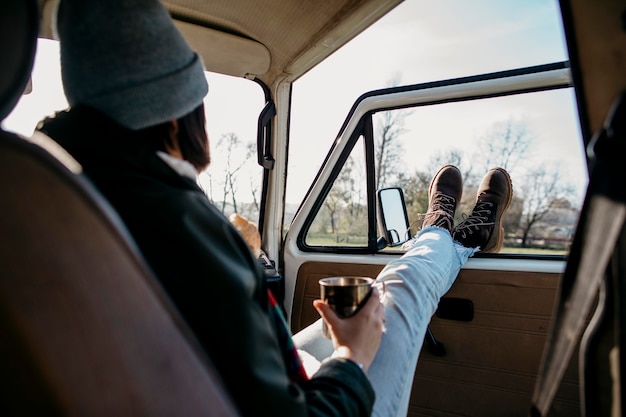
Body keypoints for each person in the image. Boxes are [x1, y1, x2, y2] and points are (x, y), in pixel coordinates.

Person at [37, 1, 512, 417]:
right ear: (183, 113)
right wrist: (352, 358)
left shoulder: (61, 197)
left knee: (355, 308)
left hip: (220, 390)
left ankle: (447, 236)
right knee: (399, 288)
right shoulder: (173, 221)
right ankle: (446, 234)